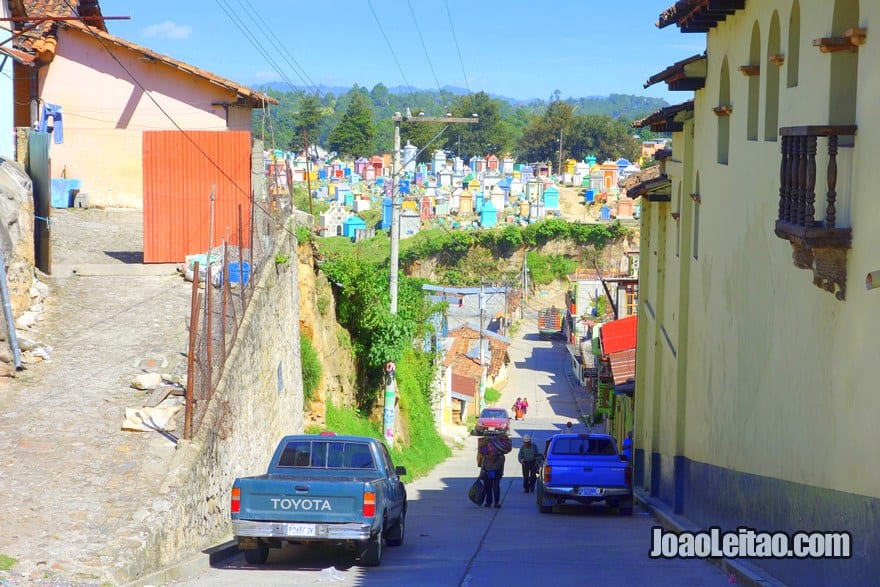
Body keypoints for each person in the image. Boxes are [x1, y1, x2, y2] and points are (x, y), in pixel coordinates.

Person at [478, 434, 510, 508]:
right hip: (489, 471)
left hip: (495, 472)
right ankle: (490, 502)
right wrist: (481, 473)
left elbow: (501, 464)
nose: (491, 456)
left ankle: (494, 502)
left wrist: (501, 472)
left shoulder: (498, 456)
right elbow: (483, 465)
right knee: (489, 487)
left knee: (494, 487)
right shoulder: (497, 455)